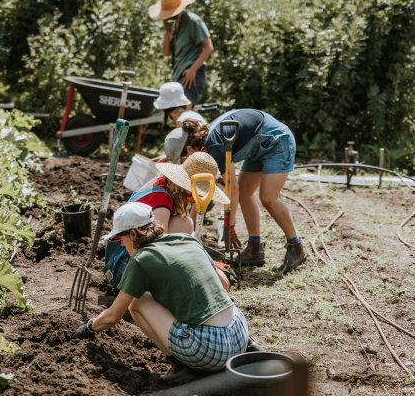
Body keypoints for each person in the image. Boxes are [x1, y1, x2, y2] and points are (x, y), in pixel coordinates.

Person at [73, 202, 249, 378]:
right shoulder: (188, 239)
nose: (120, 244)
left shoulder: (141, 259)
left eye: (120, 238)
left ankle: (179, 367)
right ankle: (252, 347)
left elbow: (113, 317)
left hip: (211, 351)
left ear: (133, 234)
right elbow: (225, 284)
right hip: (240, 334)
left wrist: (88, 328)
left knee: (137, 302)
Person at [167, 109, 306, 273]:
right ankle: (255, 249)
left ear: (190, 149)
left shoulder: (214, 146)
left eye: (183, 161)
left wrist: (229, 225)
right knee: (246, 195)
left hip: (276, 140)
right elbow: (204, 193)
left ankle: (296, 247)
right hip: (257, 146)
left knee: (268, 198)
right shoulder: (205, 145)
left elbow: (230, 187)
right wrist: (190, 232)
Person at [102, 152, 229, 287]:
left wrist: (197, 204)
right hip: (122, 266)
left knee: (186, 223)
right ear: (187, 186)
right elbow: (160, 248)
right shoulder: (161, 198)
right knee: (182, 224)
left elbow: (189, 230)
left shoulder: (165, 184)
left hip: (127, 259)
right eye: (197, 190)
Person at [149, 0, 213, 106]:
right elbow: (167, 52)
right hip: (179, 75)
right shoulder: (173, 25)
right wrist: (167, 32)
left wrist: (192, 70)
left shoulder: (193, 21)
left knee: (184, 112)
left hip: (191, 74)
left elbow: (209, 47)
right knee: (179, 113)